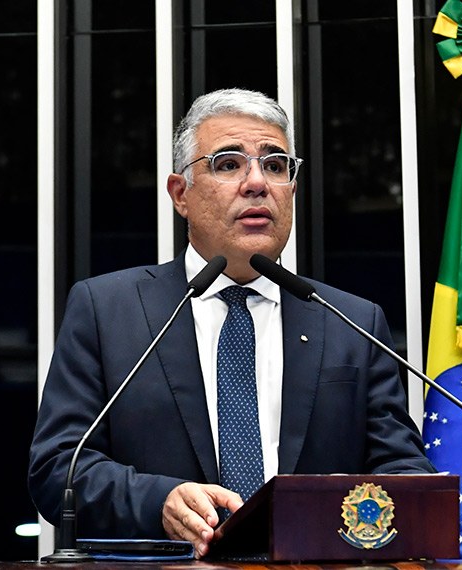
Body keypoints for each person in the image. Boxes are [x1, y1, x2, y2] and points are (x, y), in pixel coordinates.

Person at [28, 88, 434, 559]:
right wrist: (159, 501)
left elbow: (403, 471)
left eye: (275, 165)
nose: (257, 183)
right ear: (181, 194)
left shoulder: (352, 322)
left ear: (292, 190)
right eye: (228, 164)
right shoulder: (107, 310)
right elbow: (58, 469)